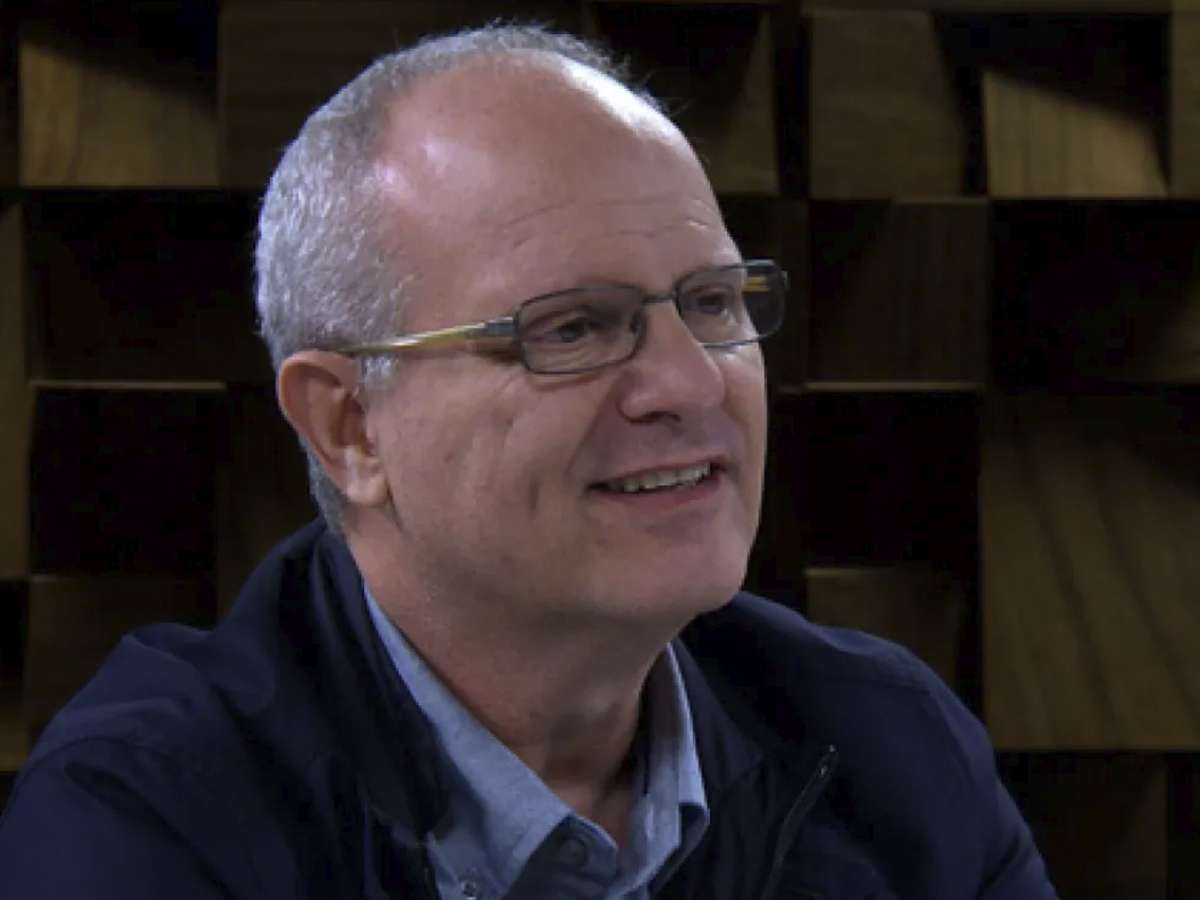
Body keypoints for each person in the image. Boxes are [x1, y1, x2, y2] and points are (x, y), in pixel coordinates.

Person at [0, 24, 1056, 900]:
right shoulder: (148, 818)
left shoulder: (887, 747)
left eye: (712, 302)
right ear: (350, 426)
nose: (690, 383)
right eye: (572, 328)